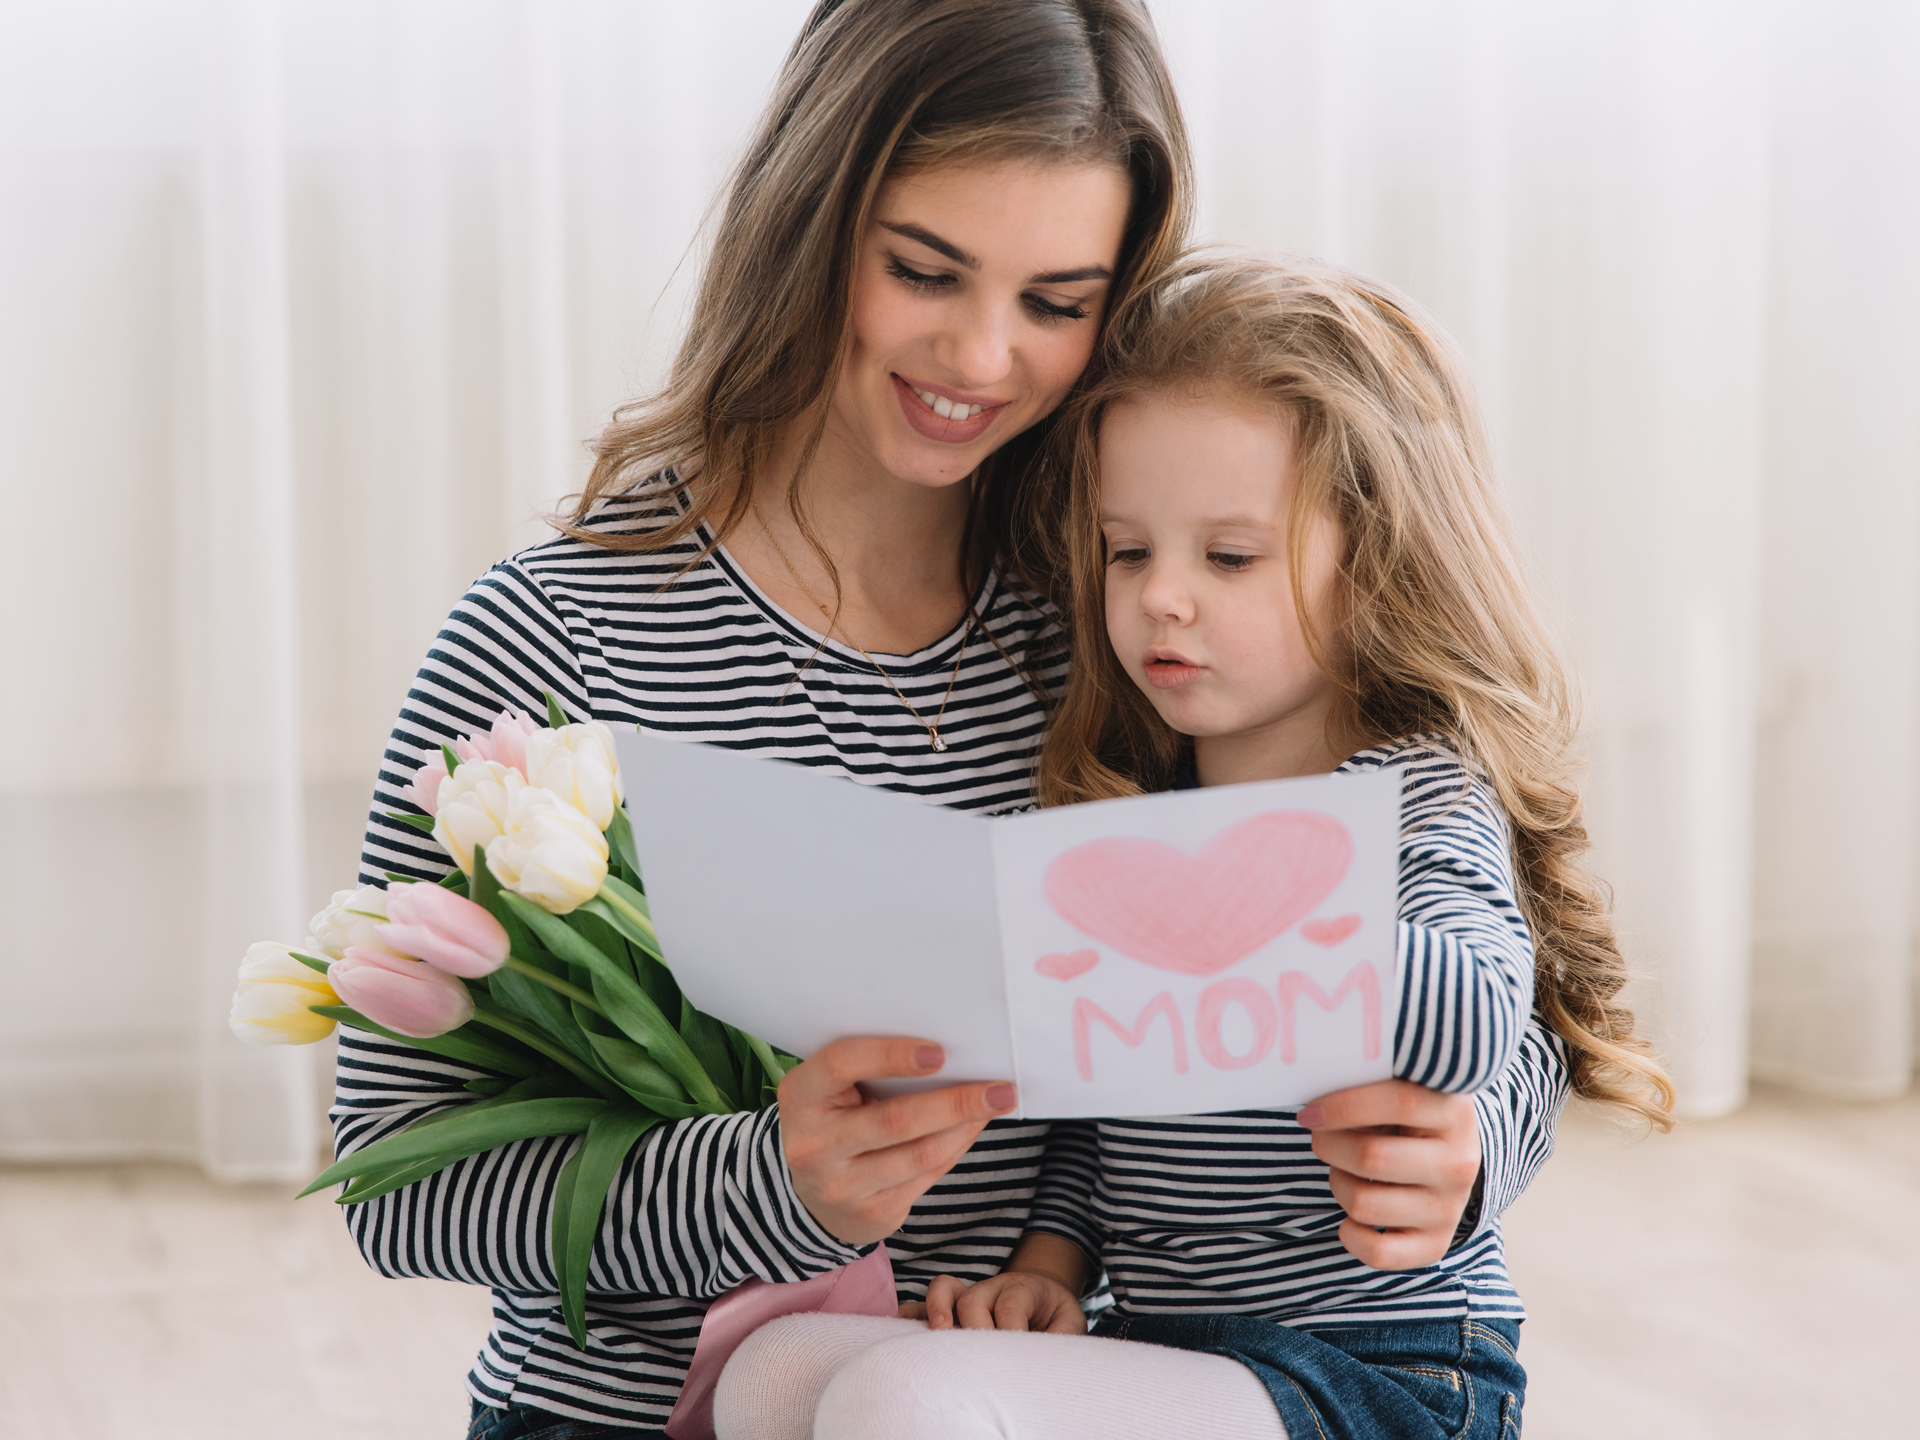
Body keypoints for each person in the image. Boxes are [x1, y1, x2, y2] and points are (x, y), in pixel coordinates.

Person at [331, 5, 1566, 1436]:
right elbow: (396, 1178)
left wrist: (1473, 1147)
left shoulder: (1116, 617)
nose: (983, 355)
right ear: (808, 224)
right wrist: (771, 1190)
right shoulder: (558, 637)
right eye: (924, 270)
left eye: (1057, 301)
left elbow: (1432, 939)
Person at [716, 257, 1675, 1439]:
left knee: (904, 1394)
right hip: (1166, 1343)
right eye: (1129, 551)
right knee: (777, 1368)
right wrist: (1053, 1265)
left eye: (1227, 558)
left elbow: (1478, 1014)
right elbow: (1099, 1107)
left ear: (1375, 570)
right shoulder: (1140, 804)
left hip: (1382, 1367)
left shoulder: (1419, 792)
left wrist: (1238, 911)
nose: (1163, 597)